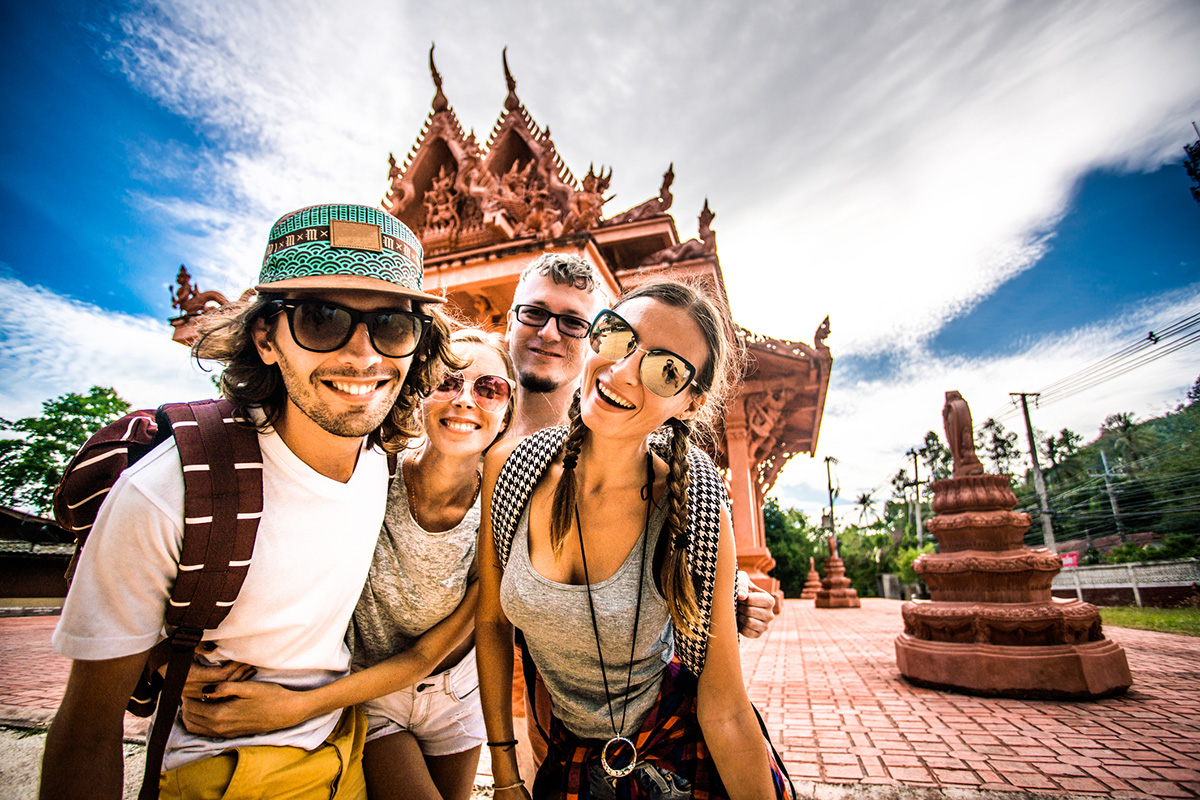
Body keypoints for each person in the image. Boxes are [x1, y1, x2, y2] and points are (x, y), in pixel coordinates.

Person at [41, 203, 456, 800]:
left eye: (392, 325)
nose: (363, 356)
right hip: (233, 771)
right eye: (321, 319)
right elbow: (88, 726)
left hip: (352, 744)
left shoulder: (385, 462)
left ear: (416, 343)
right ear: (266, 337)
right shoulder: (171, 492)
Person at [477, 280, 791, 800]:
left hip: (677, 750)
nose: (621, 371)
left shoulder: (697, 506)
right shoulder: (511, 471)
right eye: (618, 336)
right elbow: (490, 622)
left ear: (691, 403)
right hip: (565, 756)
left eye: (666, 370)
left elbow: (727, 706)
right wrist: (505, 773)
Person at [176, 329, 517, 800]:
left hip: (455, 691)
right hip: (368, 688)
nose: (464, 400)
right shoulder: (371, 471)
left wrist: (295, 709)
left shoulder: (503, 511)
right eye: (446, 381)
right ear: (419, 391)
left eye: (489, 388)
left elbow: (428, 654)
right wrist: (172, 664)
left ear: (507, 412)